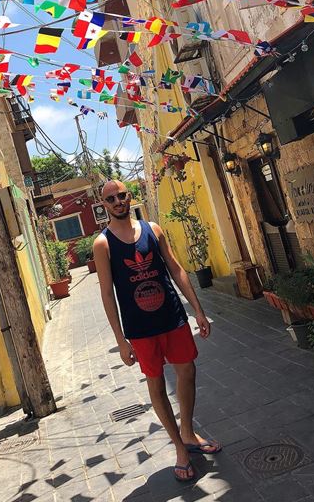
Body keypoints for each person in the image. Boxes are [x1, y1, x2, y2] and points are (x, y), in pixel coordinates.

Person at [93, 180, 221, 482]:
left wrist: (199, 311)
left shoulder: (153, 229)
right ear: (104, 206)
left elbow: (175, 268)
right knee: (156, 384)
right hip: (140, 328)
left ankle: (188, 432)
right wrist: (120, 340)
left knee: (187, 371)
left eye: (121, 196)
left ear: (129, 197)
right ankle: (179, 447)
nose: (117, 202)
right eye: (110, 199)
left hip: (172, 317)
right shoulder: (103, 244)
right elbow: (107, 293)